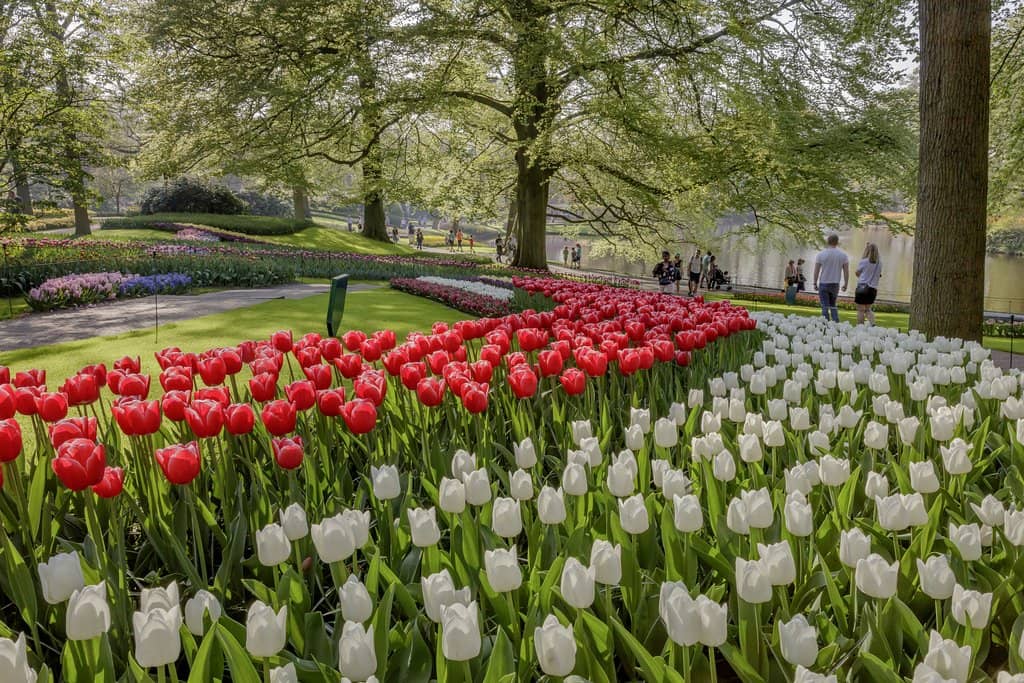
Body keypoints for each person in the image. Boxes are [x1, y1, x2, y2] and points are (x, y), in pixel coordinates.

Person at [812, 233, 849, 322]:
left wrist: (814, 282)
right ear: (837, 242)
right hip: (835, 283)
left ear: (828, 241)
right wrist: (846, 284)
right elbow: (846, 271)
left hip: (824, 283)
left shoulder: (821, 254)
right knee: (833, 305)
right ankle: (836, 322)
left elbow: (816, 270)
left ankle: (825, 324)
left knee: (825, 306)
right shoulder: (843, 255)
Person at [855, 242, 882, 325]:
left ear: (867, 251)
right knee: (868, 310)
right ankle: (873, 325)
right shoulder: (880, 263)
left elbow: (857, 273)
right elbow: (879, 275)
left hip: (862, 288)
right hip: (873, 289)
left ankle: (860, 328)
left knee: (860, 310)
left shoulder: (864, 261)